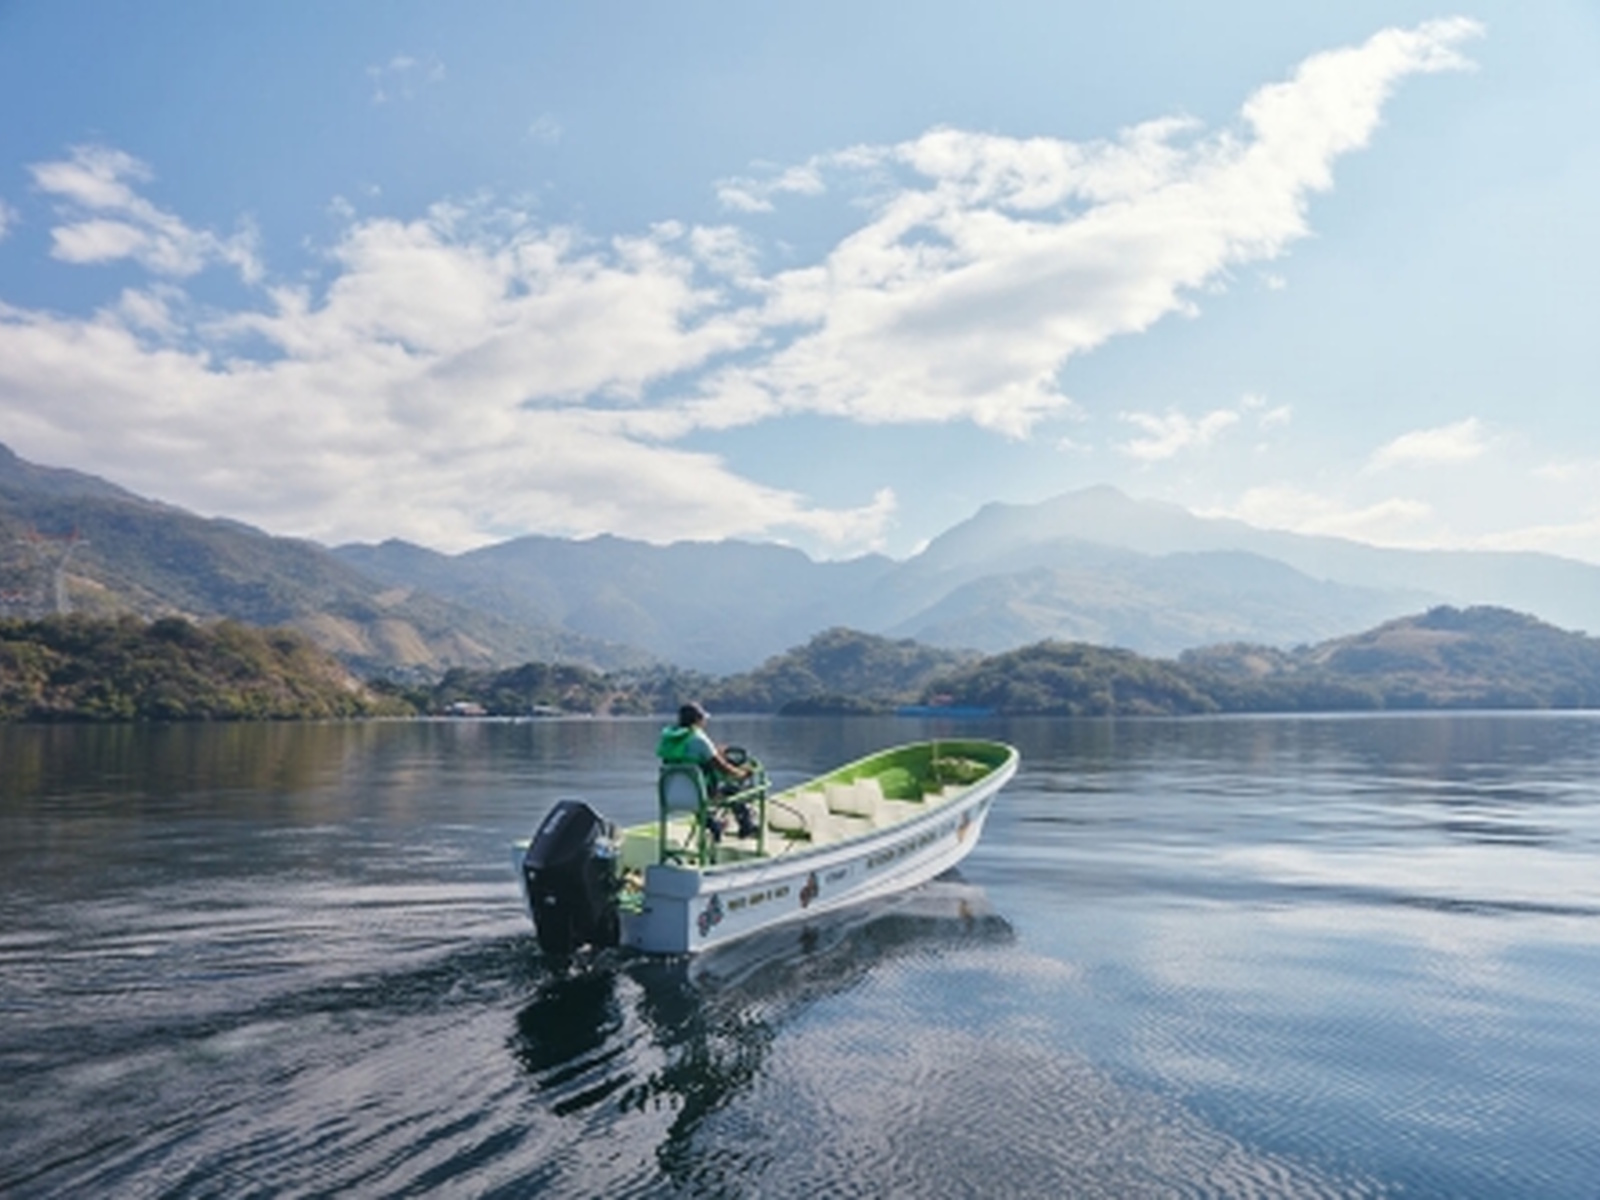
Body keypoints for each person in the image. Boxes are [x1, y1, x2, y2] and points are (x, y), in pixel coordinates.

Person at [657, 702, 759, 839]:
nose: (705, 722)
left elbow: (687, 757)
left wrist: (715, 751)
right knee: (733, 790)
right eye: (703, 718)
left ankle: (714, 825)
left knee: (695, 794)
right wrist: (743, 774)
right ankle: (746, 827)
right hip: (702, 794)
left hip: (671, 795)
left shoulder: (669, 739)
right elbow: (723, 768)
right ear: (697, 720)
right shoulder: (699, 738)